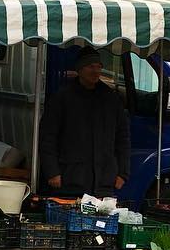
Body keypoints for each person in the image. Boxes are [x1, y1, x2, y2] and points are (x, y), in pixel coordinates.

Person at [38, 47, 130, 197]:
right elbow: (47, 137)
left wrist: (123, 173)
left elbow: (123, 138)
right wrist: (52, 172)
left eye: (99, 67)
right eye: (90, 67)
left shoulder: (111, 99)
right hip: (70, 180)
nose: (96, 71)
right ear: (79, 69)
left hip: (104, 182)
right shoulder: (62, 98)